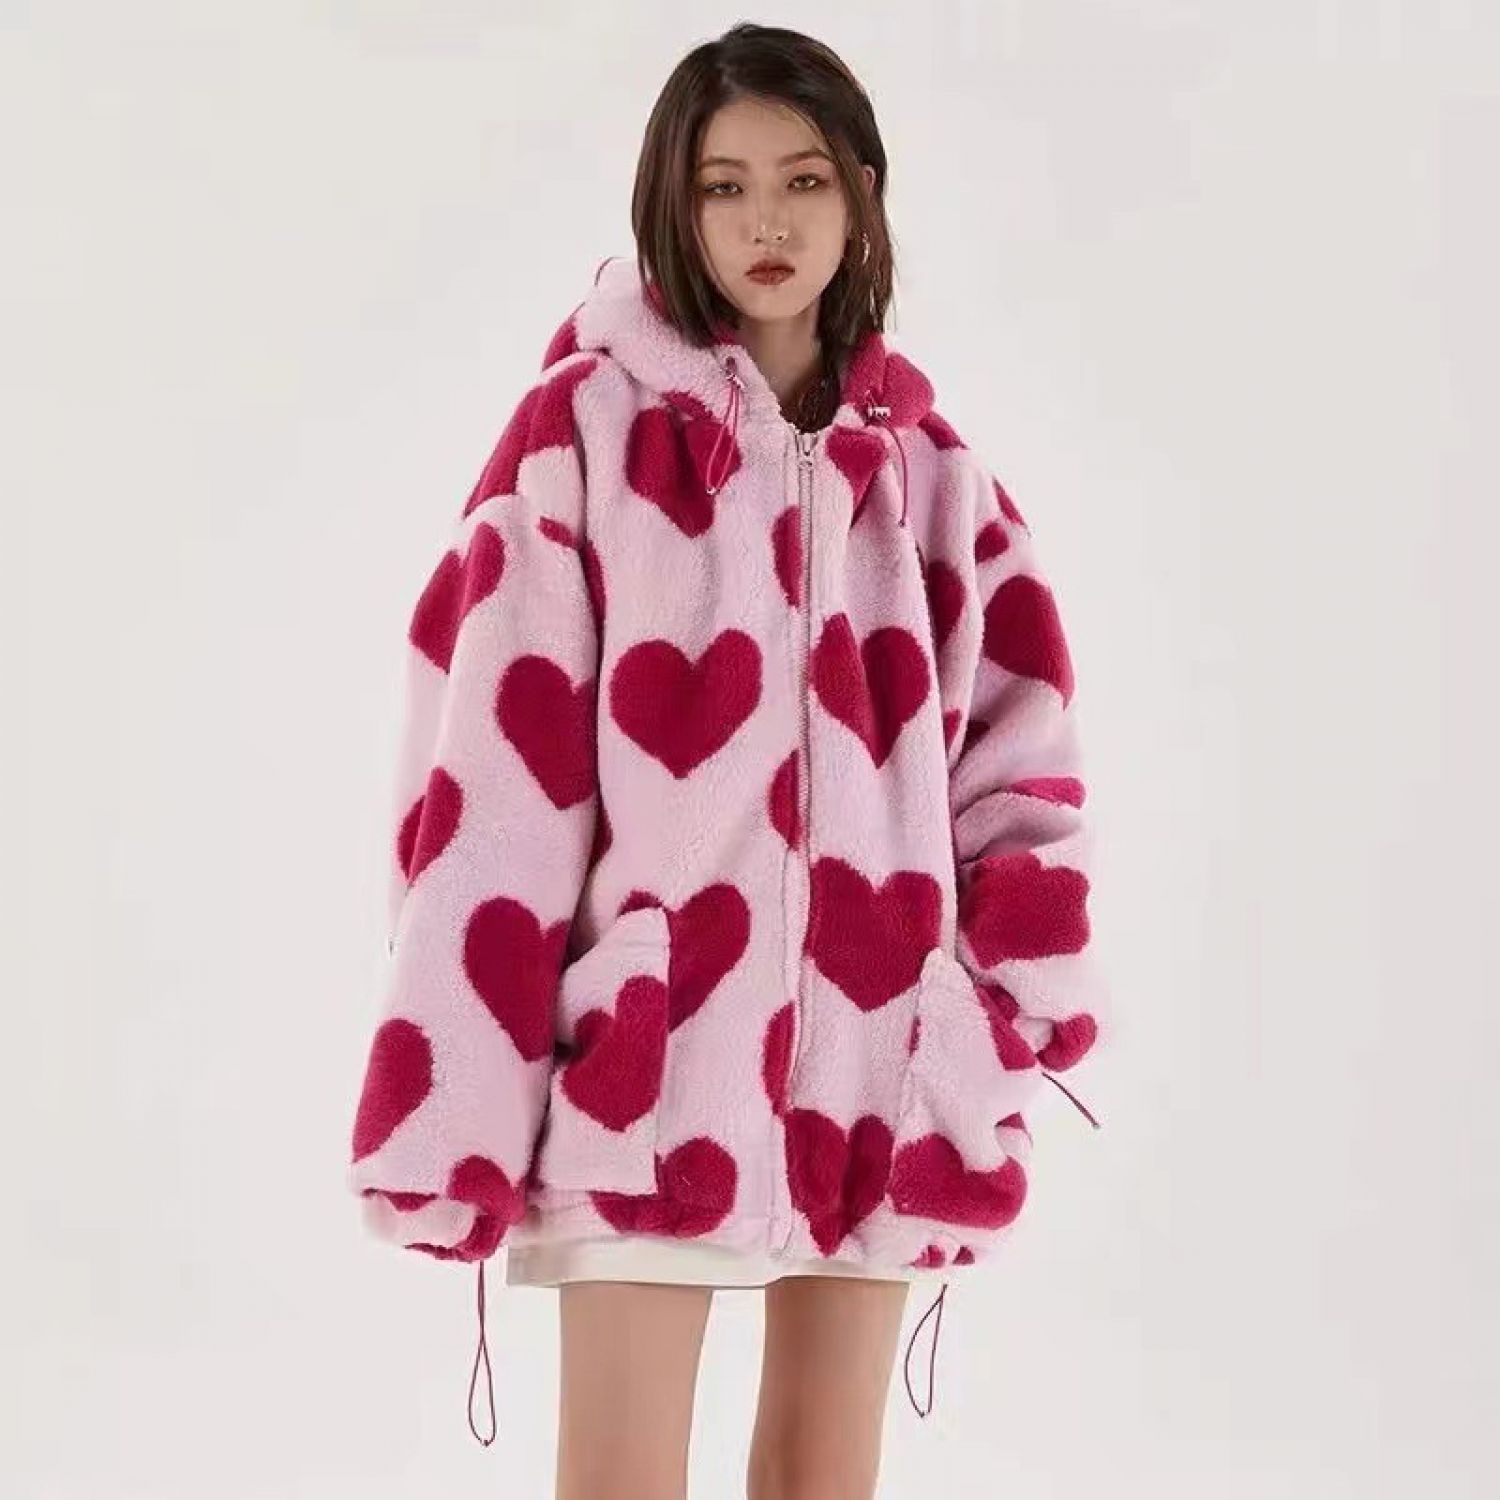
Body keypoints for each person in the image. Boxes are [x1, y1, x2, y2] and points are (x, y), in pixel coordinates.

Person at [346, 21, 1109, 1498]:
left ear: (861, 195)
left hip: (877, 1070)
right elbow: (490, 787)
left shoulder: (933, 476)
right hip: (648, 1071)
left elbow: (1024, 768)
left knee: (826, 1478)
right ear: (673, 205)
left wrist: (994, 1015)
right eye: (725, 185)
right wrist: (460, 1102)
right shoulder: (582, 434)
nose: (768, 222)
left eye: (804, 180)